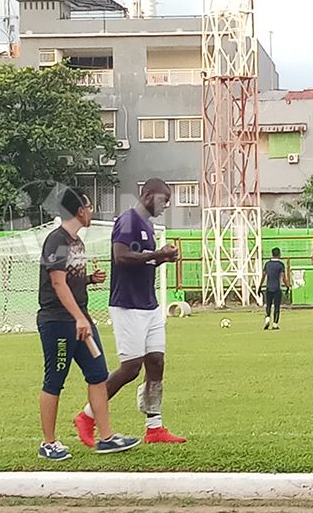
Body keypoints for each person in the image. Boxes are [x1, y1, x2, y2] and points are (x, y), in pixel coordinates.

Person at [74, 178, 185, 447]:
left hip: (149, 304)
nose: (165, 206)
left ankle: (154, 427)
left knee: (156, 362)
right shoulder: (129, 220)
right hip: (127, 304)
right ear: (147, 196)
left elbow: (142, 262)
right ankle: (86, 416)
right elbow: (121, 257)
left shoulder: (147, 225)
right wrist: (157, 253)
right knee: (131, 367)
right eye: (163, 200)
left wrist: (162, 258)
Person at [37, 188, 139, 460]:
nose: (92, 212)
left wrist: (89, 279)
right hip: (59, 322)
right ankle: (48, 443)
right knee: (55, 379)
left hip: (81, 320)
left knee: (98, 374)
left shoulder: (77, 243)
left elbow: (69, 280)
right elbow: (57, 283)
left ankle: (106, 437)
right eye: (90, 207)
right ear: (80, 211)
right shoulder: (56, 241)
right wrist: (79, 318)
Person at [260, 247, 291, 330]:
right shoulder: (280, 265)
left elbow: (263, 275)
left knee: (268, 305)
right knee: (277, 307)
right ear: (279, 254)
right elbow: (283, 277)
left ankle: (267, 319)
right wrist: (287, 286)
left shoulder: (267, 264)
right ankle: (275, 324)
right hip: (277, 288)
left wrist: (259, 286)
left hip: (268, 287)